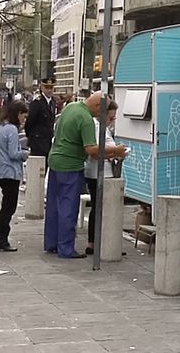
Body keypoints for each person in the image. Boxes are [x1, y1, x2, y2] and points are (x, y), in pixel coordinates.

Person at [43, 92, 127, 258]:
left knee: (54, 206)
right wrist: (116, 151)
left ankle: (51, 243)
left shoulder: (70, 107)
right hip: (70, 165)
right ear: (97, 106)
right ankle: (66, 248)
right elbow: (92, 150)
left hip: (54, 161)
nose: (100, 115)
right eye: (101, 112)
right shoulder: (86, 119)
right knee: (68, 207)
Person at [0, 100, 29, 251]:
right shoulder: (11, 129)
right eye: (23, 116)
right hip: (10, 171)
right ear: (18, 114)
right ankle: (0, 239)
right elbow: (13, 153)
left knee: (6, 206)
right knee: (9, 208)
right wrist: (25, 153)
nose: (24, 119)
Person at [83, 100, 120, 255]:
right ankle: (93, 242)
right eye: (111, 118)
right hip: (96, 172)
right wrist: (115, 152)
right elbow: (96, 150)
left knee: (103, 207)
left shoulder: (103, 128)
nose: (112, 121)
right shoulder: (95, 127)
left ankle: (103, 240)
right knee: (98, 206)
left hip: (105, 171)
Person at [24, 77, 57, 165]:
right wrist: (32, 136)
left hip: (48, 142)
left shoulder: (53, 103)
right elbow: (29, 122)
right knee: (37, 170)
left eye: (51, 88)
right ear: (42, 88)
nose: (49, 90)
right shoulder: (37, 103)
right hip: (37, 142)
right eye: (47, 88)